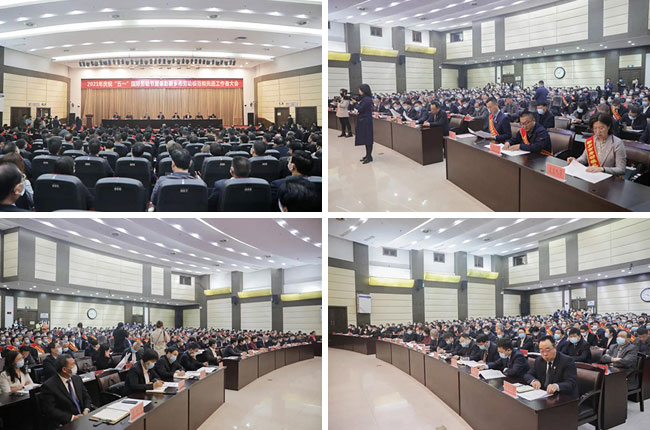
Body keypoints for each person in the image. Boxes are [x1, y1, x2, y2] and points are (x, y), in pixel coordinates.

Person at [40, 354, 93, 426]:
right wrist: (73, 418)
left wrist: (86, 409)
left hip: (84, 417)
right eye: (73, 364)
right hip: (66, 422)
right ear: (64, 369)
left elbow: (86, 397)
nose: (75, 366)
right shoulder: (49, 386)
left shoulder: (77, 378)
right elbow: (51, 410)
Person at [355, 83, 374, 164]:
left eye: (360, 90)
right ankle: (367, 155)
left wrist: (355, 103)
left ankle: (369, 156)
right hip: (365, 120)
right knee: (366, 139)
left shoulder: (367, 99)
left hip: (366, 121)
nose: (359, 91)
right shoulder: (365, 99)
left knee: (368, 139)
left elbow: (360, 109)